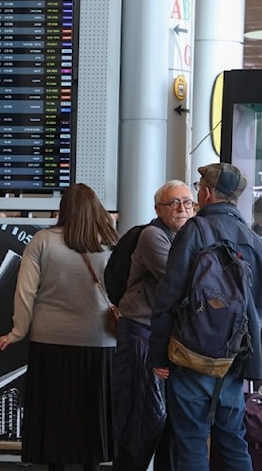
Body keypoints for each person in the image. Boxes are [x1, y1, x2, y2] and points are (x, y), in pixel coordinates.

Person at [149, 163, 262, 471]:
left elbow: (168, 296)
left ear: (206, 193)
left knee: (191, 442)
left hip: (191, 355)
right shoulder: (254, 240)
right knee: (233, 441)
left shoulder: (194, 231)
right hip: (234, 361)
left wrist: (158, 356)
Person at [0, 182, 118, 471]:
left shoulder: (43, 241)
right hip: (100, 341)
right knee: (91, 411)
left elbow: (25, 292)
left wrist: (18, 331)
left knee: (56, 413)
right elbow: (123, 288)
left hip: (50, 341)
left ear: (63, 209)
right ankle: (92, 466)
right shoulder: (112, 242)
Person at [111, 180, 195, 471]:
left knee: (166, 419)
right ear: (159, 209)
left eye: (187, 201)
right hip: (140, 332)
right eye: (174, 203)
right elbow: (179, 283)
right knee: (140, 416)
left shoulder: (189, 237)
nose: (182, 208)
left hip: (165, 337)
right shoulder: (152, 235)